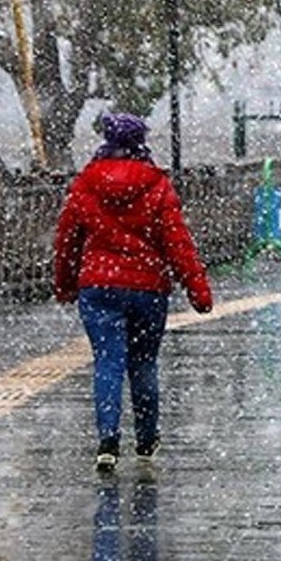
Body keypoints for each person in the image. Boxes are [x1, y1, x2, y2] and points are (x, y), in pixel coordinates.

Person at [53, 113, 213, 471]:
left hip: (98, 286)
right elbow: (178, 244)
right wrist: (198, 289)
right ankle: (146, 438)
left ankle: (108, 439)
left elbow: (67, 241)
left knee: (107, 363)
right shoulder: (157, 187)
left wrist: (64, 284)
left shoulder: (85, 185)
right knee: (143, 363)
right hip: (147, 288)